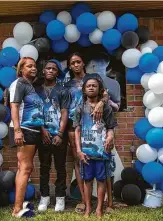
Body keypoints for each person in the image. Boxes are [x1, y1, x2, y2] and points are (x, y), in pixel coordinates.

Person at [64, 52, 106, 213]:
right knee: (78, 160)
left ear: (83, 63)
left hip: (94, 125)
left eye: (78, 61)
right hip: (73, 126)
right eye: (72, 62)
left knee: (100, 159)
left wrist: (101, 103)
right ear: (69, 66)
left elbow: (105, 94)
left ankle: (104, 202)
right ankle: (83, 200)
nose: (76, 65)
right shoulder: (67, 86)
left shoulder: (93, 78)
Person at [74, 74, 117, 217]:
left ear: (99, 89)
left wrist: (110, 136)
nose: (91, 87)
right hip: (86, 152)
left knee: (101, 179)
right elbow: (77, 130)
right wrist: (79, 150)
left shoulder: (106, 108)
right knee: (87, 180)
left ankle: (99, 208)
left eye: (94, 85)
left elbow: (111, 127)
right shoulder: (80, 108)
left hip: (102, 151)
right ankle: (88, 208)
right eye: (88, 86)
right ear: (84, 90)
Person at [8, 57, 44, 218]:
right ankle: (17, 209)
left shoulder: (30, 86)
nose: (33, 68)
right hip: (23, 129)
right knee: (26, 167)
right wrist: (17, 130)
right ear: (21, 70)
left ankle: (18, 204)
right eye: (29, 66)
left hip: (33, 130)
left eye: (34, 66)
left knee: (24, 167)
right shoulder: (19, 84)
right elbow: (14, 106)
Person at [35, 59, 71, 212]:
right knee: (44, 167)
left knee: (60, 167)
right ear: (43, 71)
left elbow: (65, 112)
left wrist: (61, 134)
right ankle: (44, 197)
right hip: (43, 134)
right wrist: (42, 130)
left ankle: (60, 198)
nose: (50, 71)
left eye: (54, 69)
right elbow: (35, 111)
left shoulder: (63, 90)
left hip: (58, 135)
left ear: (58, 73)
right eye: (48, 68)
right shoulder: (36, 90)